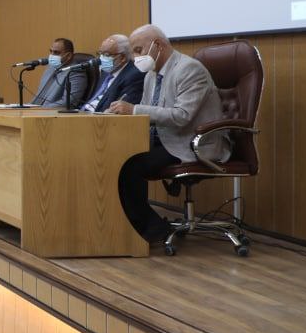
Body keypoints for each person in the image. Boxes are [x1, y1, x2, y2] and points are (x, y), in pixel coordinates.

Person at [108, 24, 231, 244]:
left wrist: (134, 110)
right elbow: (148, 113)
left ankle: (152, 230)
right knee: (116, 157)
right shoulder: (151, 74)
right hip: (166, 139)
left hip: (193, 143)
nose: (135, 58)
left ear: (158, 45)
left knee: (129, 167)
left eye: (138, 50)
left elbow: (182, 116)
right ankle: (132, 228)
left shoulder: (189, 69)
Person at [79, 34, 145, 113]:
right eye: (100, 53)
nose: (101, 58)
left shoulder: (134, 76)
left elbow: (121, 108)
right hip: (84, 113)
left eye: (106, 54)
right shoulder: (107, 71)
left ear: (123, 57)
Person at [30, 38, 88, 109]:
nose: (52, 55)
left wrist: (40, 109)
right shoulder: (51, 67)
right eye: (51, 51)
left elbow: (68, 102)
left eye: (56, 52)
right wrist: (27, 107)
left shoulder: (76, 72)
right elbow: (39, 98)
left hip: (52, 113)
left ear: (68, 56)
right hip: (36, 110)